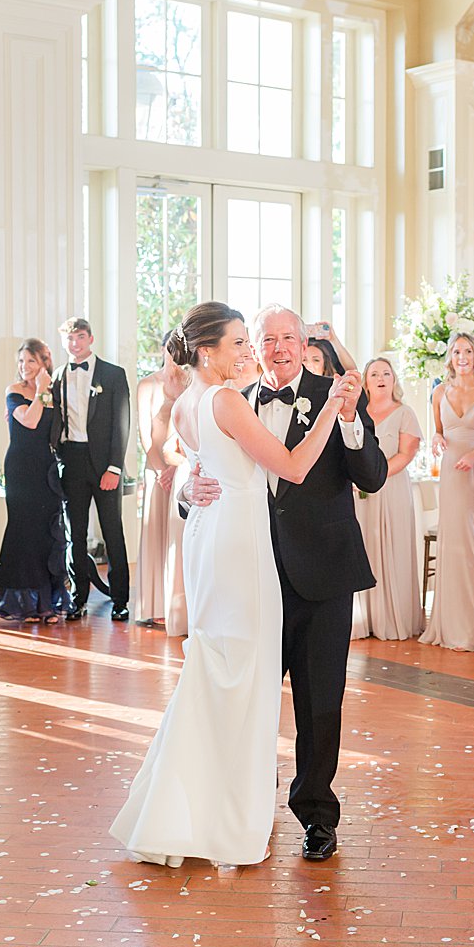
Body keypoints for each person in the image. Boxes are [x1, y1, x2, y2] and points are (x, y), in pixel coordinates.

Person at [111, 302, 356, 868]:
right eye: (240, 342)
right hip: (241, 547)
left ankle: (202, 804)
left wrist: (189, 485)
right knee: (240, 676)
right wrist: (331, 410)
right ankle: (227, 816)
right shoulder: (224, 399)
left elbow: (199, 466)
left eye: (254, 341)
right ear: (207, 351)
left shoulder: (187, 404)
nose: (250, 352)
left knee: (219, 671)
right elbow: (291, 468)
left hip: (212, 536)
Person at [174, 303, 386, 863]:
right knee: (249, 694)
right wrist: (183, 492)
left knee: (320, 704)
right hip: (249, 573)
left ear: (305, 342)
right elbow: (194, 466)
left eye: (288, 338)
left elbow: (373, 477)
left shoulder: (337, 395)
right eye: (264, 340)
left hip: (321, 573)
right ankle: (247, 804)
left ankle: (317, 815)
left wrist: (347, 419)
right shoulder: (228, 397)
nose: (276, 349)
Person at [420, 333, 474, 652]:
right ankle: (455, 624)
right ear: (450, 357)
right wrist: (437, 440)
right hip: (452, 475)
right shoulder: (439, 392)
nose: (463, 356)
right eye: (457, 351)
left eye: (468, 351)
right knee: (455, 540)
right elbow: (438, 433)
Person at [53, 318, 132, 621]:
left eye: (80, 337)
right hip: (70, 460)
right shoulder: (57, 377)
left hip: (104, 464)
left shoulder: (113, 374)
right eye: (70, 339)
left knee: (113, 532)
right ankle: (78, 598)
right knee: (76, 534)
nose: (75, 344)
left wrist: (114, 467)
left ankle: (120, 599)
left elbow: (121, 424)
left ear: (91, 338)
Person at [0, 339, 71, 623]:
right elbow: (30, 420)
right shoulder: (14, 391)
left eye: (31, 361)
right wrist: (41, 390)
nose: (24, 367)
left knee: (46, 534)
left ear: (44, 362)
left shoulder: (55, 391)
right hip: (21, 469)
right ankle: (24, 603)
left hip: (45, 469)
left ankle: (47, 603)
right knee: (24, 531)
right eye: (21, 361)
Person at [352, 357, 424, 641]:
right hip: (359, 493)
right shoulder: (357, 413)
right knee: (363, 549)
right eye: (374, 374)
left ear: (394, 380)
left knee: (393, 548)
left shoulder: (404, 413)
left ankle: (393, 620)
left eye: (386, 373)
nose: (381, 378)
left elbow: (406, 454)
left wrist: (376, 476)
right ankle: (363, 618)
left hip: (392, 488)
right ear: (366, 382)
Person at [134, 332, 189, 630]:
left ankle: (181, 605)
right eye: (172, 348)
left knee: (181, 540)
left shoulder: (192, 383)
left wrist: (177, 468)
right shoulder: (148, 384)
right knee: (157, 536)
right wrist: (160, 470)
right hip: (157, 472)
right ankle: (155, 604)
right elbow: (145, 433)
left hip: (184, 469)